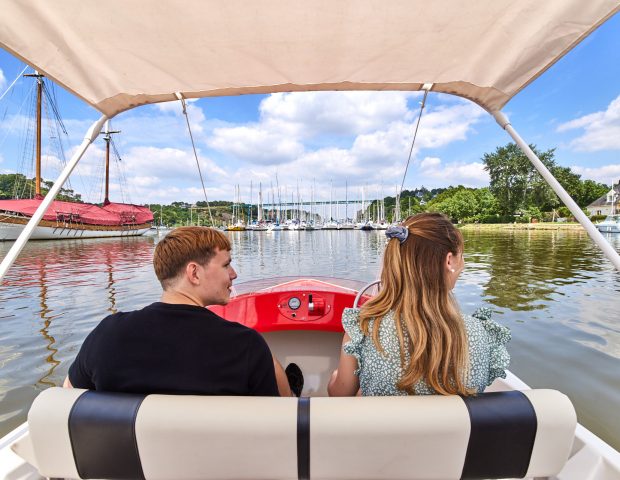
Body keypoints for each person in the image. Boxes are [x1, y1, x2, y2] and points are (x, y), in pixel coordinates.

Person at [64, 226, 292, 396]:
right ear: (194, 273)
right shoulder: (244, 345)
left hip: (130, 460)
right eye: (225, 265)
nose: (233, 274)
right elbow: (274, 422)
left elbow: (69, 397)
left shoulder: (107, 334)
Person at [328, 212, 510, 397]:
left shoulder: (365, 328)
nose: (463, 263)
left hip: (385, 426)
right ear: (449, 261)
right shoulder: (479, 333)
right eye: (462, 255)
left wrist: (338, 377)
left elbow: (339, 396)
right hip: (452, 427)